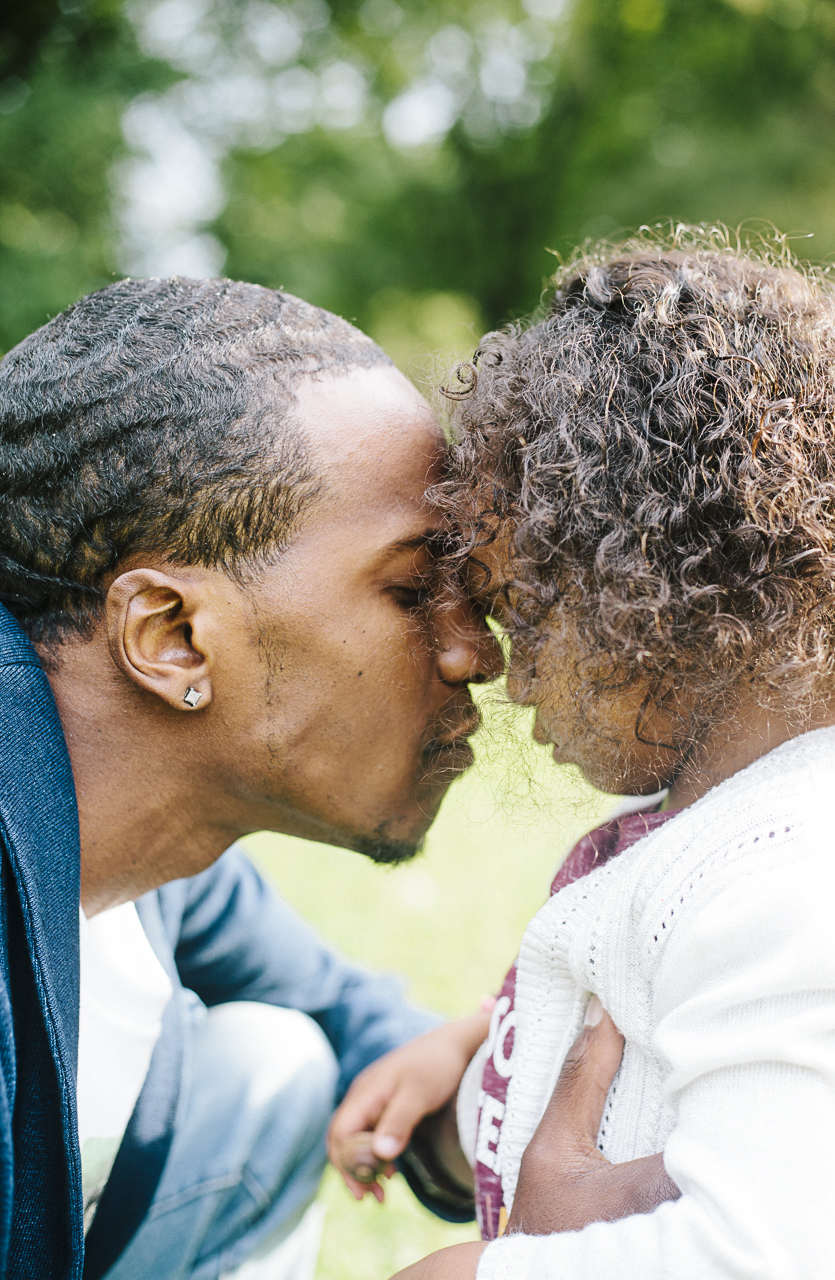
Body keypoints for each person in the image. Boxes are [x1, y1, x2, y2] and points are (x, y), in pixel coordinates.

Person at [327, 234, 835, 1279]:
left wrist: (466, 1273)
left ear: (673, 586)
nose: (510, 679)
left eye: (525, 614)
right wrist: (474, 1046)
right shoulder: (746, 836)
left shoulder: (790, 878)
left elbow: (781, 1251)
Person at [0, 276, 502, 1280]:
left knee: (272, 1065)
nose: (473, 652)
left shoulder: (153, 844)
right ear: (174, 636)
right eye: (411, 590)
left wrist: (496, 1075)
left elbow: (347, 1020)